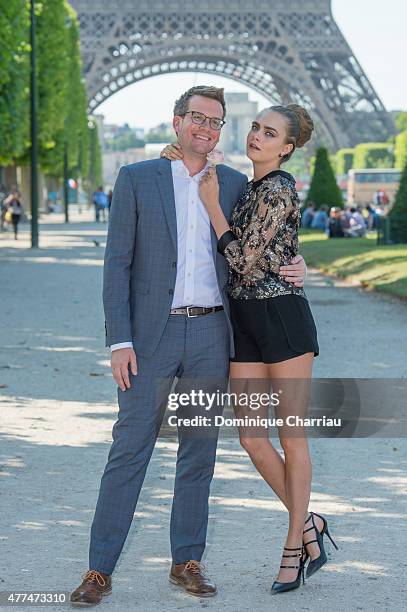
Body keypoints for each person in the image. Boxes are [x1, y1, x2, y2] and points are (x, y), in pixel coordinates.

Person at [69, 86, 307, 606]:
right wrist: (120, 341)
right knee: (130, 447)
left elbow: (272, 235)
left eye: (215, 121)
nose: (205, 127)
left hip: (211, 334)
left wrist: (299, 262)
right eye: (196, 118)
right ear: (176, 122)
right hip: (150, 338)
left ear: (221, 131)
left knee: (198, 453)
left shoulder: (236, 184)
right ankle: (98, 569)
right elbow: (118, 266)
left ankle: (187, 561)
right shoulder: (137, 179)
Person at [161, 103, 338, 594]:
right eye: (256, 127)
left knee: (291, 439)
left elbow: (240, 258)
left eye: (270, 133)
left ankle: (292, 547)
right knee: (252, 439)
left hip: (282, 324)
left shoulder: (278, 189)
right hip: (245, 325)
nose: (257, 136)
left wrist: (214, 208)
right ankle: (311, 526)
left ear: (287, 148)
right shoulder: (244, 183)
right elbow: (181, 154)